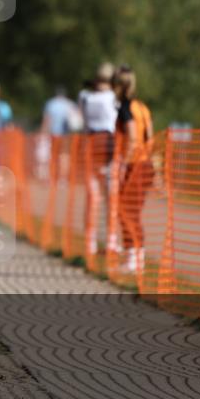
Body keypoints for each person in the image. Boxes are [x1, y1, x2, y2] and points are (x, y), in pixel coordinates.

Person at [114, 67, 154, 274]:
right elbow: (151, 135)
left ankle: (135, 258)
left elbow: (131, 136)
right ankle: (135, 256)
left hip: (135, 164)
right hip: (147, 163)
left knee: (127, 210)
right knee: (129, 211)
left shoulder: (125, 108)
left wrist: (122, 164)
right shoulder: (142, 107)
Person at [79, 63, 119, 256]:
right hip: (109, 146)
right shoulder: (113, 98)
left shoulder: (85, 97)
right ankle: (110, 241)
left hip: (89, 146)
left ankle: (90, 242)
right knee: (111, 197)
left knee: (92, 197)